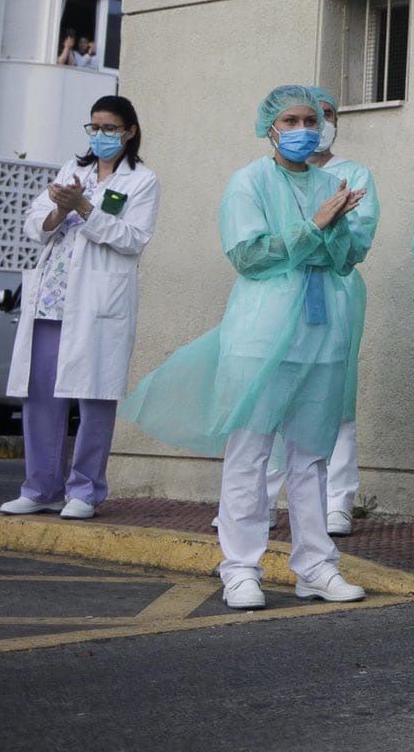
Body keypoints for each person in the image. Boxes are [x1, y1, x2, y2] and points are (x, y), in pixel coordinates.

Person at [121, 85, 369, 610]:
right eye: (293, 119)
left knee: (311, 458)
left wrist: (340, 225)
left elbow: (347, 259)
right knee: (250, 453)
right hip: (261, 333)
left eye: (312, 119)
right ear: (270, 128)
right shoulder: (248, 182)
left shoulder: (334, 182)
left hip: (321, 334)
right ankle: (240, 568)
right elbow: (250, 256)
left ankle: (316, 568)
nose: (305, 128)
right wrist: (316, 224)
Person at [0, 97, 160, 521]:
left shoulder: (142, 181)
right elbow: (34, 223)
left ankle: (85, 491)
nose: (101, 136)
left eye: (110, 128)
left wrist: (85, 208)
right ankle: (40, 488)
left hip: (96, 304)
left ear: (129, 131)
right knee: (40, 397)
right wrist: (59, 208)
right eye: (94, 128)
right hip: (51, 300)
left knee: (94, 398)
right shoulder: (74, 169)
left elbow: (132, 238)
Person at [265, 88, 376, 536]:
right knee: (273, 396)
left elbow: (356, 239)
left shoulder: (351, 174)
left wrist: (326, 231)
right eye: (299, 119)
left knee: (336, 397)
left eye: (323, 117)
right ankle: (263, 500)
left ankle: (337, 502)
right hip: (279, 296)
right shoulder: (269, 177)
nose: (311, 128)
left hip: (335, 292)